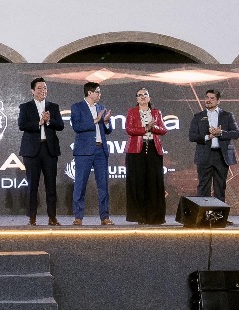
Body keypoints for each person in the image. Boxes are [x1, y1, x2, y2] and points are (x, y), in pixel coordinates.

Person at [18, 77, 64, 226]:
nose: (43, 91)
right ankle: (32, 217)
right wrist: (39, 122)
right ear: (32, 91)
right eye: (39, 88)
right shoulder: (25, 107)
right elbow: (22, 125)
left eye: (45, 88)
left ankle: (52, 217)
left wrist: (49, 121)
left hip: (49, 149)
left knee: (51, 185)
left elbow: (61, 125)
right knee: (32, 185)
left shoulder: (53, 107)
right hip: (32, 151)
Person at [70, 82, 114, 226]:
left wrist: (105, 122)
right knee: (80, 184)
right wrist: (95, 120)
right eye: (97, 92)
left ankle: (105, 217)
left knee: (103, 185)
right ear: (90, 93)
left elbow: (108, 130)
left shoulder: (101, 107)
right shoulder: (77, 107)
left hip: (101, 150)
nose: (99, 94)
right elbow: (77, 126)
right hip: (84, 151)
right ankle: (78, 216)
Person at [187, 89, 239, 203]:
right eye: (207, 97)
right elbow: (192, 136)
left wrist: (220, 133)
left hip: (221, 155)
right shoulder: (198, 116)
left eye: (212, 98)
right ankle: (203, 212)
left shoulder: (227, 115)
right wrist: (208, 137)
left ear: (218, 101)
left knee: (220, 187)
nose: (208, 100)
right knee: (203, 187)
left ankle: (218, 213)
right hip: (204, 155)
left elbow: (236, 133)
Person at [124, 88, 167, 225]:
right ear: (137, 99)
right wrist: (145, 129)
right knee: (138, 183)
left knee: (154, 183)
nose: (142, 97)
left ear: (149, 98)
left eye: (145, 95)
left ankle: (154, 217)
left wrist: (153, 128)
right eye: (139, 95)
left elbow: (163, 130)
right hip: (136, 151)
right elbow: (129, 129)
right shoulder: (132, 112)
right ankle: (140, 217)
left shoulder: (156, 113)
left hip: (153, 149)